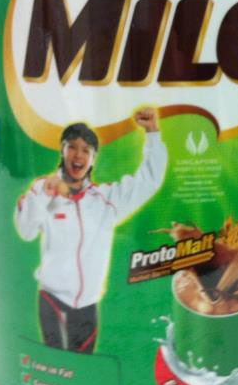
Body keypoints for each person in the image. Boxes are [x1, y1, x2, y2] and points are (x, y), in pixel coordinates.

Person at [15, 108, 167, 353]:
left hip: (88, 305)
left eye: (86, 150)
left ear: (93, 159)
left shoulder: (105, 200)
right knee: (57, 364)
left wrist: (153, 134)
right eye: (72, 147)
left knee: (82, 366)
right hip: (53, 299)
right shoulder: (42, 191)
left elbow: (149, 182)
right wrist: (45, 192)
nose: (79, 154)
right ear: (63, 151)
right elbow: (26, 231)